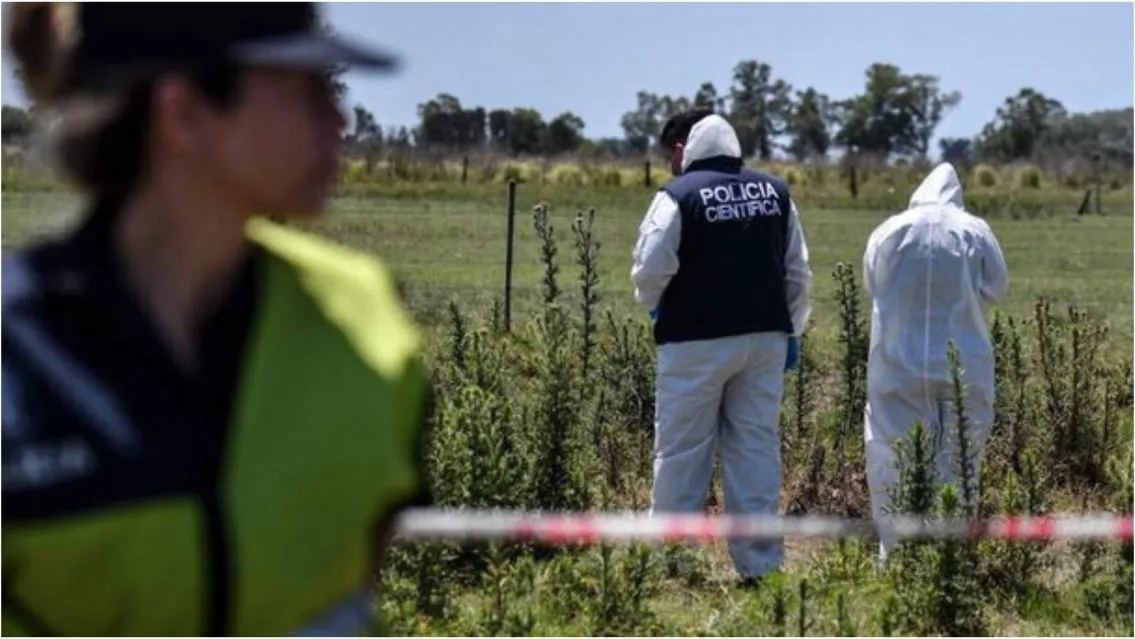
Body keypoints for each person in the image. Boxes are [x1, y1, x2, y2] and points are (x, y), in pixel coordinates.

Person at [2, 4, 430, 635]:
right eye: (303, 90)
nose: (339, 121)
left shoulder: (367, 324)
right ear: (182, 112)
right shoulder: (16, 347)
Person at [631, 109, 813, 586]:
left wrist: (656, 307)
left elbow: (649, 271)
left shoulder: (677, 196)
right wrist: (792, 332)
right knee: (755, 450)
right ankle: (761, 566)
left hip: (694, 342)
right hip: (765, 341)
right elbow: (798, 273)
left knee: (682, 453)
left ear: (684, 152)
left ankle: (674, 563)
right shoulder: (775, 193)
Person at [862, 162, 1009, 561]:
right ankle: (950, 556)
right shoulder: (975, 230)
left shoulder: (889, 230)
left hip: (898, 363)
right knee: (960, 456)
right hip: (962, 363)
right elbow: (997, 288)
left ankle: (896, 554)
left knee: (891, 454)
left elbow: (872, 283)